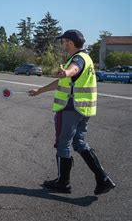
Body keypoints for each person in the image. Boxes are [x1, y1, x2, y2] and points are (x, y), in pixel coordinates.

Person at [28, 30, 115, 195]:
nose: (62, 45)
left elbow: (74, 70)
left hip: (70, 108)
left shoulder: (77, 59)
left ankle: (63, 182)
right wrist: (40, 91)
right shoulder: (87, 58)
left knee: (63, 143)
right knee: (79, 143)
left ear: (69, 42)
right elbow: (64, 80)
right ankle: (103, 179)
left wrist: (66, 72)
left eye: (63, 41)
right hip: (84, 108)